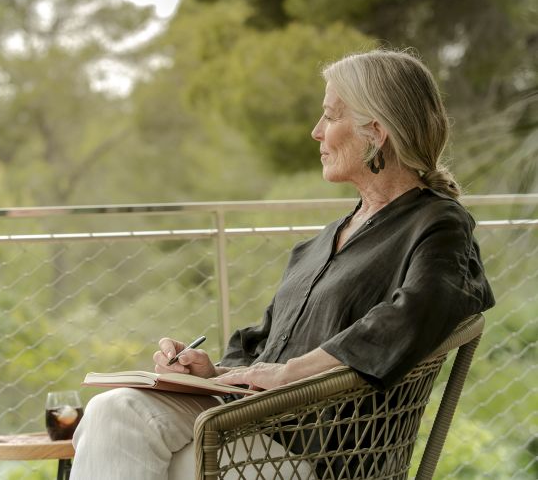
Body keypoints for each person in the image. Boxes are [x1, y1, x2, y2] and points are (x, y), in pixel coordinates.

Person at [70, 49, 495, 479]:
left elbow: (418, 312)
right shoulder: (319, 244)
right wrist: (213, 372)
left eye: (330, 117)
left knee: (179, 464)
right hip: (252, 424)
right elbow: (265, 346)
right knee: (112, 409)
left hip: (322, 455)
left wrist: (292, 374)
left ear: (376, 132)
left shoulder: (437, 223)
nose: (316, 132)